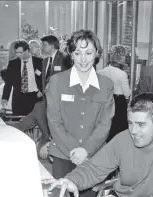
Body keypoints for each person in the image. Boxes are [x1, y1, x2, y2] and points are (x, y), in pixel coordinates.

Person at [45, 29, 115, 180]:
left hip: (94, 156)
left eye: (88, 53)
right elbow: (54, 121)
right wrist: (75, 150)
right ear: (70, 55)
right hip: (63, 155)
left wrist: (86, 150)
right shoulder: (57, 82)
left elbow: (105, 123)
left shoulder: (106, 84)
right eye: (77, 53)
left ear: (97, 53)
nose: (83, 59)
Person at [97, 45, 131, 142]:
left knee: (107, 125)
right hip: (119, 102)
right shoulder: (122, 74)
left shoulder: (101, 72)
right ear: (122, 58)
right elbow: (127, 93)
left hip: (105, 100)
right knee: (119, 128)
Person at [2, 40, 43, 115]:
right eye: (16, 52)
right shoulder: (13, 64)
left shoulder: (40, 62)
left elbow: (46, 79)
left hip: (35, 98)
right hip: (18, 99)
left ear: (27, 50)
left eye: (20, 52)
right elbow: (8, 83)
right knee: (19, 124)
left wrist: (42, 91)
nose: (18, 55)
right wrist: (5, 98)